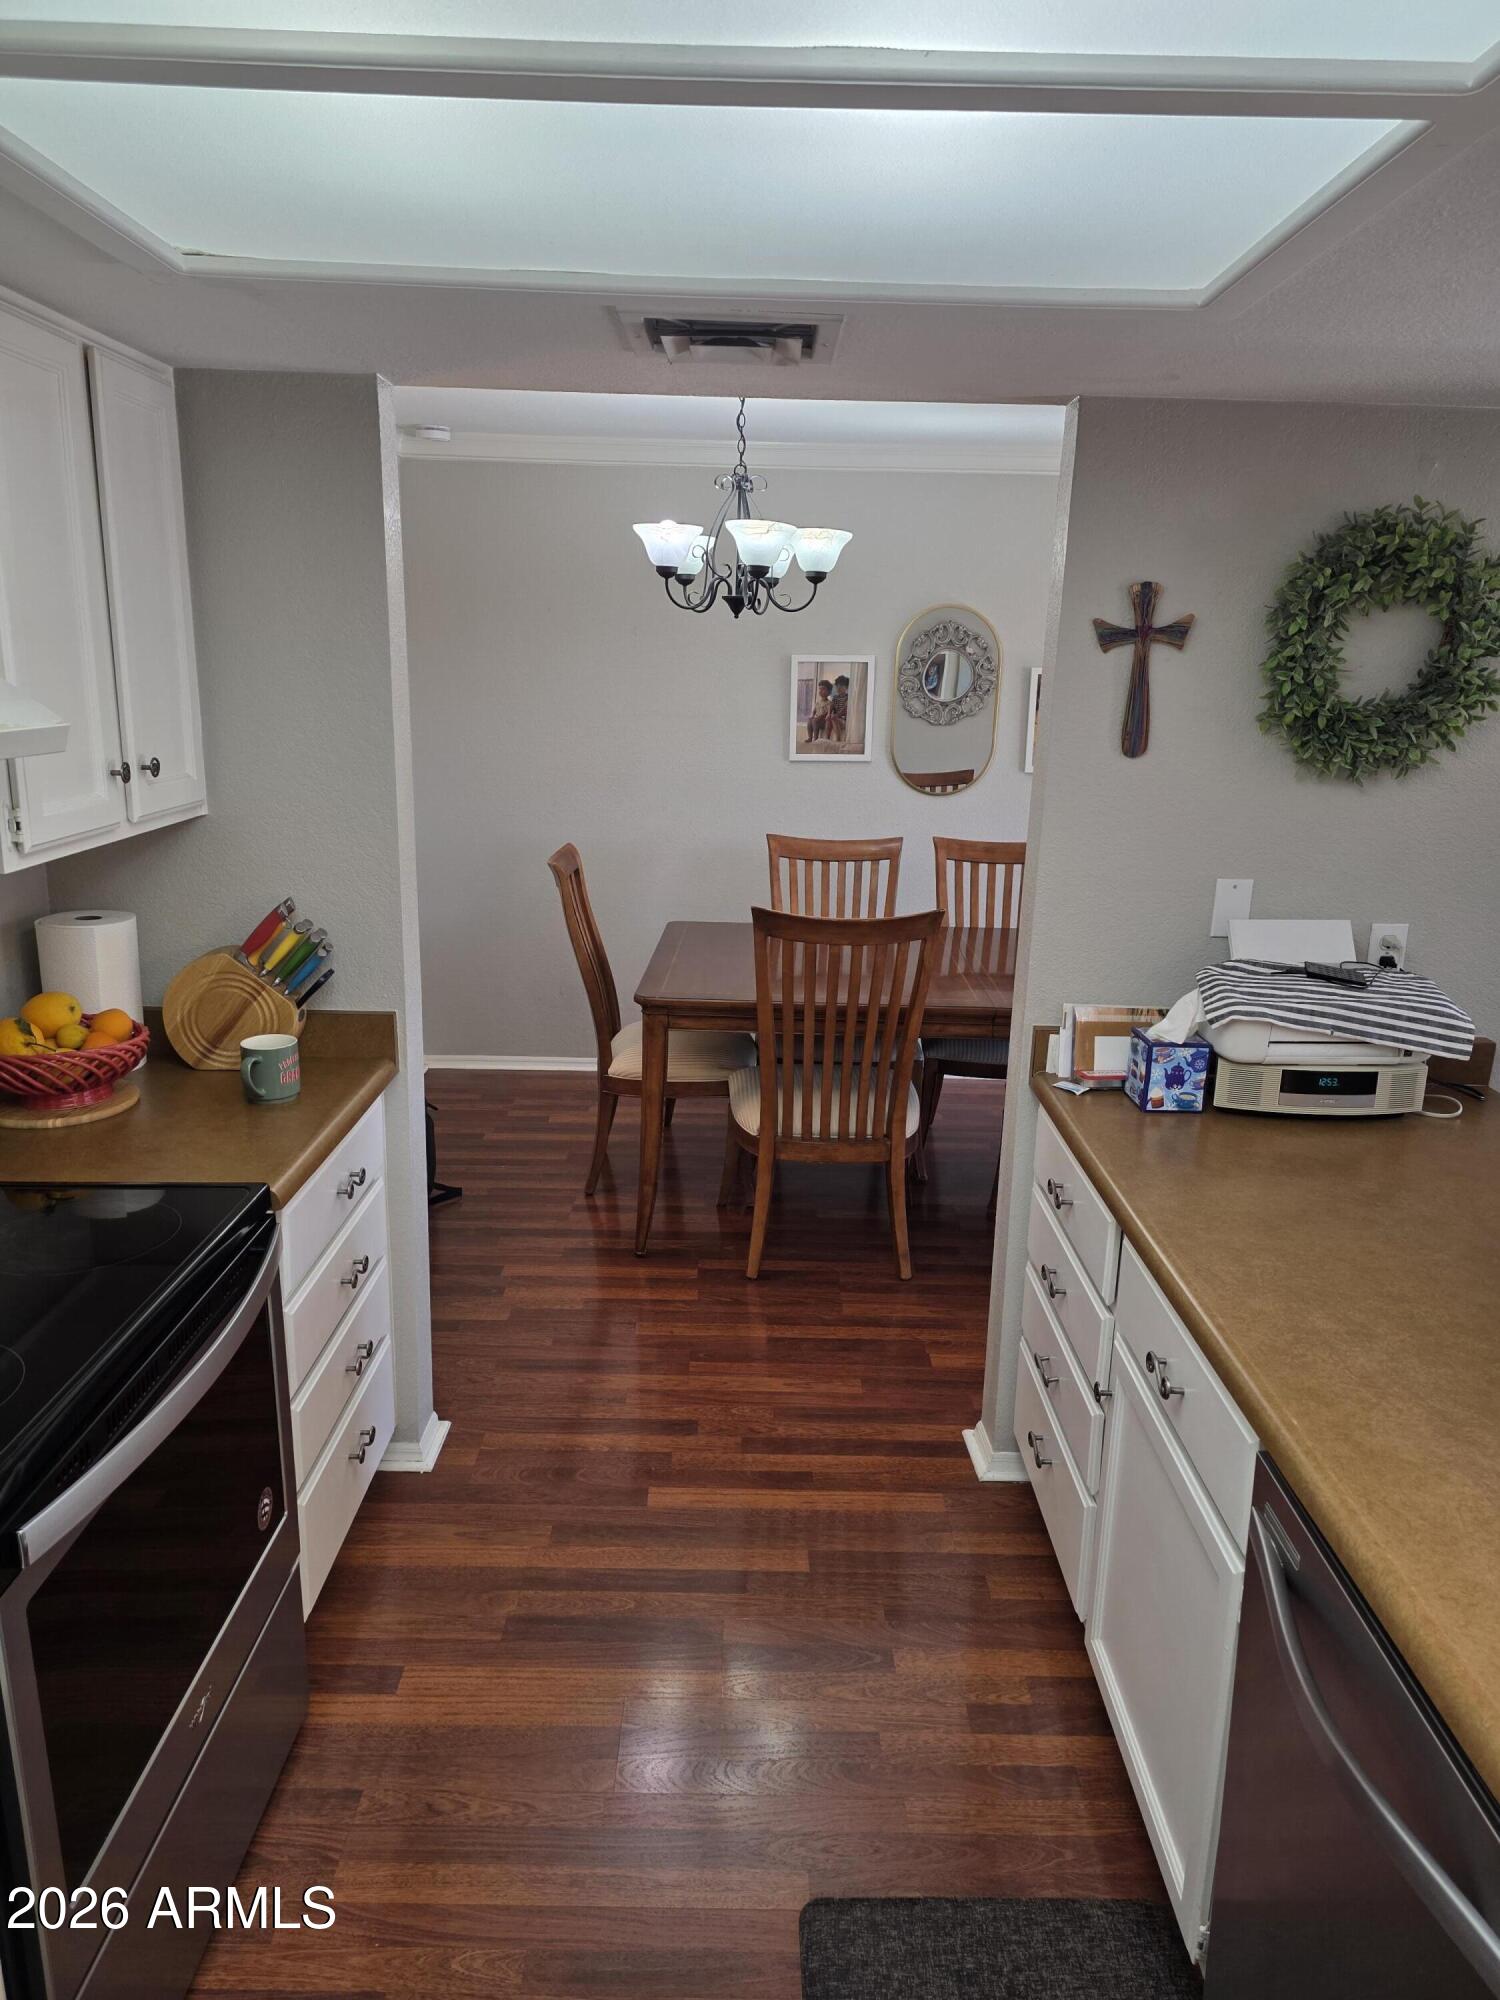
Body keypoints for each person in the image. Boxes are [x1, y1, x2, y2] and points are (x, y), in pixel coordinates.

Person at [807, 679, 832, 744]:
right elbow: (814, 710)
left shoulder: (829, 703)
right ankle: (810, 737)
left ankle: (816, 738)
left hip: (823, 721)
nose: (821, 691)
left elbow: (828, 712)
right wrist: (812, 715)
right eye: (820, 689)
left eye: (823, 689)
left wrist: (821, 716)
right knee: (810, 720)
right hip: (817, 719)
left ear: (829, 692)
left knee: (815, 720)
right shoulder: (818, 702)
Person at [828, 674, 850, 744]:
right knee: (829, 718)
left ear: (846, 687)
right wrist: (828, 714)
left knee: (834, 718)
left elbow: (845, 709)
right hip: (836, 718)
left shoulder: (848, 697)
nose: (839, 688)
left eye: (841, 686)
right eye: (837, 686)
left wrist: (837, 715)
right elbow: (831, 706)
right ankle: (827, 738)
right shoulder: (835, 697)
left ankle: (838, 739)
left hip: (844, 720)